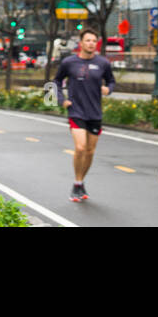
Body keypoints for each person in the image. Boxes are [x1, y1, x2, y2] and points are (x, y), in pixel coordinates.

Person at [54, 28, 116, 202]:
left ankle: (81, 182)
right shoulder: (69, 62)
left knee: (90, 151)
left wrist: (108, 89)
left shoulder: (103, 63)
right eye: (88, 40)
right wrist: (61, 100)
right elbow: (55, 82)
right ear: (81, 43)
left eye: (93, 41)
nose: (91, 43)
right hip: (76, 111)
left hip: (94, 112)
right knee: (80, 147)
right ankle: (76, 181)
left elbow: (111, 81)